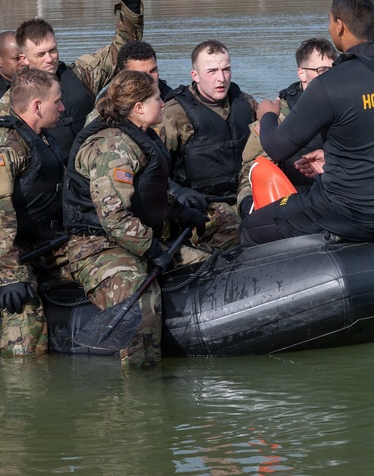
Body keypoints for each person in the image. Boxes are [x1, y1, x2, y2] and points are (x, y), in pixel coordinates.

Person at [239, 0, 374, 246]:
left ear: (339, 26)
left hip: (344, 214)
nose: (329, 27)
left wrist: (267, 115)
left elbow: (277, 147)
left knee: (252, 227)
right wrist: (332, 158)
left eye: (330, 21)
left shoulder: (330, 84)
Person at [61, 71, 207, 368]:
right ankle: (141, 382)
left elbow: (144, 193)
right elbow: (113, 217)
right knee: (139, 297)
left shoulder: (139, 137)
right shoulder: (113, 147)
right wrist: (153, 250)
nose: (164, 103)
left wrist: (180, 211)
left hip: (134, 238)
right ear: (139, 107)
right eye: (156, 98)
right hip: (97, 247)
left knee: (205, 263)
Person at [0, 68, 70, 356]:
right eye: (56, 101)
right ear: (36, 106)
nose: (62, 107)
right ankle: (21, 385)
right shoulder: (2, 146)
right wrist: (10, 273)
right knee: (22, 307)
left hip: (44, 243)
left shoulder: (42, 138)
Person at [0, 0, 147, 157]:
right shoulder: (11, 102)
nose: (50, 59)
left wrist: (131, 9)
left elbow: (122, 51)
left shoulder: (82, 74)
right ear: (24, 58)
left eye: (53, 50)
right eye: (40, 54)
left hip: (91, 168)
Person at [156, 40, 258, 249]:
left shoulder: (246, 103)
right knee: (242, 236)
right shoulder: (175, 114)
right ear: (195, 76)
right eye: (212, 71)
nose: (221, 78)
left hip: (247, 195)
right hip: (204, 206)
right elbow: (152, 168)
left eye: (226, 69)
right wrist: (177, 192)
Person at [237, 37, 338, 214]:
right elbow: (253, 168)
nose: (329, 77)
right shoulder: (281, 113)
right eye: (321, 70)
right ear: (301, 73)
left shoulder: (347, 106)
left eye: (333, 70)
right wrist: (248, 204)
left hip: (337, 198)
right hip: (293, 202)